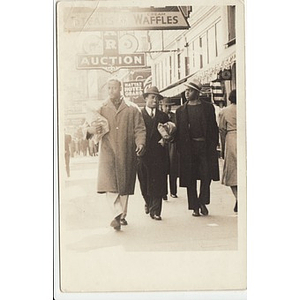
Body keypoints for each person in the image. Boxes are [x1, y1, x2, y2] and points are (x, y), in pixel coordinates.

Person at [85, 78, 146, 230]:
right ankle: (116, 214)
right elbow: (87, 125)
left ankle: (122, 215)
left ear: (121, 89)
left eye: (114, 88)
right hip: (108, 151)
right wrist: (91, 130)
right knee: (110, 185)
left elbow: (139, 128)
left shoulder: (132, 109)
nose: (111, 91)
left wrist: (140, 143)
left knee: (124, 186)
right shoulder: (101, 108)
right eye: (109, 88)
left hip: (126, 151)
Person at [175, 78, 220, 217]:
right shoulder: (181, 110)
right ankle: (195, 206)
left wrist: (213, 145)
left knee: (207, 176)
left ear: (197, 92)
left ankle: (202, 201)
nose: (186, 93)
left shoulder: (208, 108)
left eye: (189, 90)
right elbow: (178, 132)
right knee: (190, 177)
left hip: (205, 148)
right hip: (188, 149)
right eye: (186, 90)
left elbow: (213, 128)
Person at [137, 87, 170, 220]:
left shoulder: (163, 116)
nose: (155, 100)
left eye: (157, 98)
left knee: (158, 181)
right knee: (144, 182)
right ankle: (148, 201)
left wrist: (166, 139)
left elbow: (170, 132)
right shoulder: (139, 115)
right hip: (143, 154)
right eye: (152, 97)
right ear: (146, 99)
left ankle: (156, 210)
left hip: (158, 153)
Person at [219, 89, 237, 212]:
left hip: (231, 139)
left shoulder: (224, 111)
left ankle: (238, 197)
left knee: (231, 172)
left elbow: (221, 129)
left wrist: (222, 146)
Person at [161, 97, 179, 199]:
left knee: (173, 168)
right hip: (163, 144)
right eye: (166, 106)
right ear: (162, 106)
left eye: (169, 106)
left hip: (172, 144)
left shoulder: (174, 116)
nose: (168, 108)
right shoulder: (160, 116)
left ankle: (173, 191)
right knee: (163, 168)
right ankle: (164, 192)